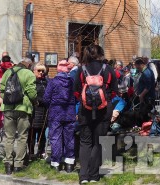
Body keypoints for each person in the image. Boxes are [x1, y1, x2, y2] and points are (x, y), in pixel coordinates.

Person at [74, 45, 117, 184]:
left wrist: (84, 100)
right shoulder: (108, 69)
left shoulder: (82, 69)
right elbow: (115, 91)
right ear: (101, 54)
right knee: (98, 142)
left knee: (85, 142)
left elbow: (75, 91)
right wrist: (105, 99)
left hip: (85, 110)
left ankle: (83, 176)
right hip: (104, 110)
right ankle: (94, 175)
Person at [0, 57, 37, 174]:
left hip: (8, 108)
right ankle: (18, 164)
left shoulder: (7, 72)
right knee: (22, 136)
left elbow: (1, 90)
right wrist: (35, 100)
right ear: (29, 65)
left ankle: (8, 163)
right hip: (23, 108)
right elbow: (32, 93)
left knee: (9, 137)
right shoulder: (29, 74)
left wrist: (7, 99)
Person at [43, 59, 76, 172]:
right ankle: (69, 163)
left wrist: (51, 104)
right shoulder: (72, 81)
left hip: (56, 113)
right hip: (69, 112)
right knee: (69, 138)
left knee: (55, 138)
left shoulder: (53, 82)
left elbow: (46, 98)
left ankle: (56, 163)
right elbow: (76, 97)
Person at [29, 63, 48, 160]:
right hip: (34, 110)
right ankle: (31, 153)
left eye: (43, 71)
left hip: (44, 111)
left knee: (42, 132)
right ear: (34, 71)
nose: (41, 73)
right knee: (32, 133)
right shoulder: (32, 81)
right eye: (39, 70)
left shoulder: (46, 81)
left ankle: (41, 152)